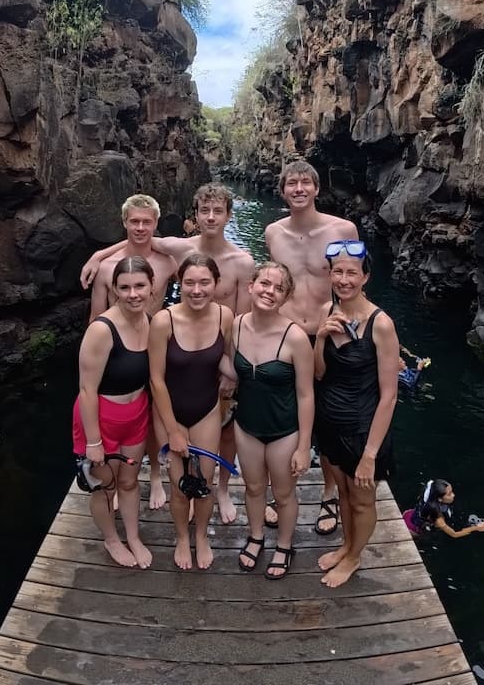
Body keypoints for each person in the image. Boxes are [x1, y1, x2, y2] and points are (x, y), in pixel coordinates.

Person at [81, 183, 254, 525]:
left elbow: (241, 321)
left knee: (224, 427)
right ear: (195, 215)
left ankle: (220, 488)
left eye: (218, 211)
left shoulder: (240, 262)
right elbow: (137, 239)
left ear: (229, 216)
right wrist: (98, 255)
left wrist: (230, 367)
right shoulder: (180, 249)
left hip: (214, 351)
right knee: (154, 412)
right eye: (204, 210)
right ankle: (159, 475)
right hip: (166, 347)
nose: (210, 217)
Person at [265, 160, 359, 537]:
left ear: (317, 188)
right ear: (283, 191)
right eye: (292, 183)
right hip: (287, 333)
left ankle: (329, 493)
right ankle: (279, 491)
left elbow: (353, 281)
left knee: (329, 417)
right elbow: (275, 284)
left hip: (329, 332)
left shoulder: (342, 229)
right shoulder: (273, 232)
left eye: (306, 182)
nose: (299, 189)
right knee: (283, 414)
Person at [79, 194, 177, 511]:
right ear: (124, 222)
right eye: (134, 221)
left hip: (153, 344)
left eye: (147, 222)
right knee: (119, 412)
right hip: (118, 349)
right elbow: (96, 316)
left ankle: (156, 474)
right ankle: (120, 475)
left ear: (156, 223)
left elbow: (200, 260)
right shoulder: (108, 268)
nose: (140, 228)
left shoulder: (167, 262)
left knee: (153, 413)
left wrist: (98, 251)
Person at [313, 239, 400, 587]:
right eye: (338, 272)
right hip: (329, 422)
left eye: (352, 273)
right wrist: (320, 338)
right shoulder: (327, 310)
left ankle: (354, 557)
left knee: (362, 499)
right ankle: (347, 546)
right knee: (345, 493)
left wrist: (370, 455)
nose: (344, 280)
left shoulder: (381, 324)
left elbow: (389, 396)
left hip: (363, 429)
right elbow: (319, 373)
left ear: (365, 277)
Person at [228, 262, 314, 579]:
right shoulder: (236, 325)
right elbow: (232, 368)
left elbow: (306, 394)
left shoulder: (296, 338)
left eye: (279, 288)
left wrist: (304, 446)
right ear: (251, 285)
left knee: (283, 493)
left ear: (286, 297)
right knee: (253, 488)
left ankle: (284, 545)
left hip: (284, 430)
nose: (270, 291)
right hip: (246, 425)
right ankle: (256, 536)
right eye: (265, 283)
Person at [148, 253, 234, 570]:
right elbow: (156, 380)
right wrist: (172, 431)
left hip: (206, 409)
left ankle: (201, 535)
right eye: (189, 283)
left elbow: (227, 357)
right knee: (179, 484)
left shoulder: (225, 316)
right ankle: (182, 537)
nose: (197, 290)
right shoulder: (163, 321)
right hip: (169, 411)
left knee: (204, 482)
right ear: (179, 284)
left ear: (216, 283)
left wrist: (231, 377)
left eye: (204, 282)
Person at [72, 255, 155, 569]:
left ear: (152, 287)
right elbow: (86, 389)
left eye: (139, 286)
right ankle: (111, 539)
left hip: (136, 413)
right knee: (105, 485)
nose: (133, 294)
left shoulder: (151, 322)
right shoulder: (102, 329)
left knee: (129, 481)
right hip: (102, 416)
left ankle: (133, 536)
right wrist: (93, 441)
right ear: (114, 290)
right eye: (125, 288)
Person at [403, 478, 484, 538]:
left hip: (409, 514)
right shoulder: (438, 518)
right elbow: (454, 534)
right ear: (440, 499)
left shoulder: (430, 491)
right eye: (449, 494)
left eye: (452, 491)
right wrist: (476, 528)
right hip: (412, 529)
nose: (453, 495)